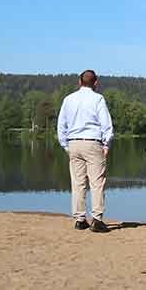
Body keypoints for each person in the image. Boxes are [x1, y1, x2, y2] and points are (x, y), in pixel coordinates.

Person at [56, 70, 114, 232]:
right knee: (97, 182)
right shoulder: (98, 99)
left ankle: (80, 219)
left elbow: (61, 126)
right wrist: (107, 144)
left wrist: (66, 145)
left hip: (73, 143)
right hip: (92, 142)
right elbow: (106, 125)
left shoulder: (68, 99)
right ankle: (97, 219)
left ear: (79, 82)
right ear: (96, 83)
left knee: (78, 182)